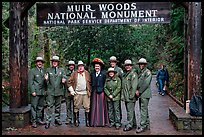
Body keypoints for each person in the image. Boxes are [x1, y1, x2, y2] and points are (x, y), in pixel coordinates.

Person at [44, 55, 67, 129]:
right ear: (52, 62)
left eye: (56, 61)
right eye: (53, 61)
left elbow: (64, 76)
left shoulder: (61, 70)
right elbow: (45, 82)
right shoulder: (48, 70)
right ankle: (48, 121)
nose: (54, 62)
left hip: (59, 91)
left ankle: (57, 119)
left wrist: (64, 79)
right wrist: (46, 79)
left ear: (58, 62)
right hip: (50, 91)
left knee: (58, 106)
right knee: (49, 106)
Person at [67, 61, 91, 127]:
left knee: (87, 107)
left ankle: (87, 121)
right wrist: (71, 90)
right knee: (76, 107)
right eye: (79, 66)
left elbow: (90, 83)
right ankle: (76, 120)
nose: (80, 67)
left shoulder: (87, 73)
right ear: (78, 67)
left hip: (86, 93)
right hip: (77, 93)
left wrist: (89, 90)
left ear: (83, 67)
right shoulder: (74, 73)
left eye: (82, 66)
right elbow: (68, 82)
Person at [89, 58, 110, 127]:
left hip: (101, 92)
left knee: (101, 107)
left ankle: (101, 122)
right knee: (94, 107)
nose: (97, 67)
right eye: (95, 66)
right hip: (94, 92)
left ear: (100, 67)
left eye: (98, 66)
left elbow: (105, 83)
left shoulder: (104, 74)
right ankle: (93, 122)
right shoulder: (92, 74)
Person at [28, 56, 46, 128]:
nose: (39, 63)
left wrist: (46, 80)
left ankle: (39, 119)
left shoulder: (44, 71)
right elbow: (30, 82)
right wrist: (32, 91)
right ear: (36, 63)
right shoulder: (32, 71)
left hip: (42, 92)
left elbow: (45, 82)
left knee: (40, 107)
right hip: (35, 92)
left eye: (41, 62)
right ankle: (33, 121)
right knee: (34, 107)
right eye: (38, 62)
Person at [135, 58, 152, 133]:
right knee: (144, 109)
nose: (141, 65)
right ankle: (147, 124)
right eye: (140, 64)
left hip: (145, 94)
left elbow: (146, 83)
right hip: (142, 94)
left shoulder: (147, 72)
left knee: (143, 110)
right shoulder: (141, 72)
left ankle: (142, 126)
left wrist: (139, 91)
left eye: (142, 64)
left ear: (145, 65)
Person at [121, 59, 138, 132]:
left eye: (129, 65)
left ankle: (129, 125)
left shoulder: (133, 74)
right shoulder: (126, 74)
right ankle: (133, 123)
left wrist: (131, 96)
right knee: (130, 110)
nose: (127, 66)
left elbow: (134, 86)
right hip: (126, 96)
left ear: (131, 66)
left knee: (129, 111)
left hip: (130, 96)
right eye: (126, 65)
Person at [108, 56, 123, 124]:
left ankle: (118, 121)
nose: (112, 63)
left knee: (117, 108)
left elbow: (122, 80)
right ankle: (112, 121)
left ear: (116, 62)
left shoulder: (119, 70)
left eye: (113, 62)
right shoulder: (109, 69)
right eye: (111, 62)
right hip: (110, 91)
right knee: (111, 109)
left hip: (117, 91)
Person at [64, 60, 75, 125]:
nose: (71, 66)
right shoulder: (65, 73)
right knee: (68, 106)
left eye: (72, 65)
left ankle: (75, 118)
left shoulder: (76, 73)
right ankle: (69, 119)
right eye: (70, 65)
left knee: (75, 106)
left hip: (75, 92)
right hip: (67, 92)